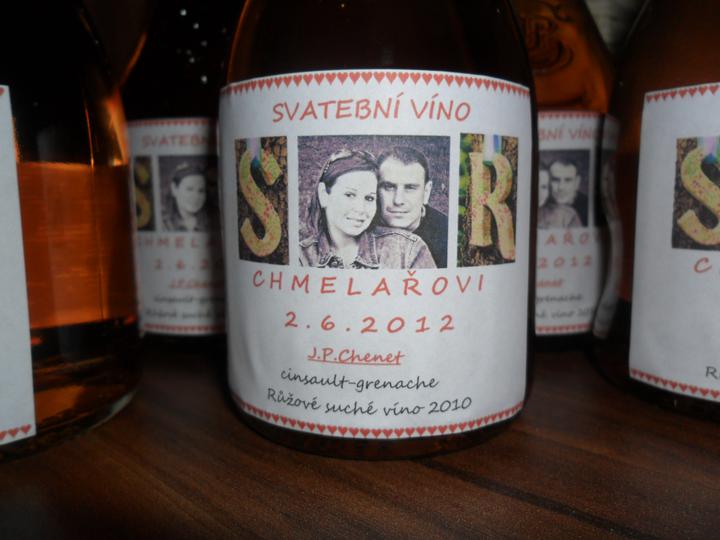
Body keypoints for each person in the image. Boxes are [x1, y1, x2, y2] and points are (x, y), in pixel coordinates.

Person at [299, 149, 435, 269]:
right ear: (323, 194)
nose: (360, 209)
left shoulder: (406, 251)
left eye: (369, 198)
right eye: (349, 195)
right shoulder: (301, 257)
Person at [376, 146, 448, 267]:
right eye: (389, 187)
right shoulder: (358, 228)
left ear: (426, 192)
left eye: (410, 188)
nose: (398, 200)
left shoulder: (448, 236)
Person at [163, 162, 210, 232]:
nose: (195, 196)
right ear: (174, 189)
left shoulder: (211, 223)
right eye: (189, 189)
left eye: (201, 191)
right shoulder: (163, 223)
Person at [548, 157, 588, 226]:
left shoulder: (588, 208)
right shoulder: (542, 204)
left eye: (568, 180)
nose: (561, 187)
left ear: (577, 182)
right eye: (555, 180)